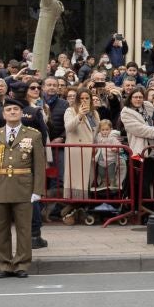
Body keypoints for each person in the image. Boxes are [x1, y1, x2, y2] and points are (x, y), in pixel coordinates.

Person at [0, 99, 46, 278]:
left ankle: (21, 264)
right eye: (9, 109)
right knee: (1, 229)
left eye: (16, 109)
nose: (12, 112)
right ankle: (4, 264)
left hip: (23, 187)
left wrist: (37, 190)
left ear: (21, 113)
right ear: (3, 114)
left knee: (24, 229)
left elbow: (39, 165)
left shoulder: (33, 135)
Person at [61, 88, 102, 218]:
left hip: (90, 150)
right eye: (81, 98)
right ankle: (72, 209)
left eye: (87, 98)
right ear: (77, 100)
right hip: (76, 151)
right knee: (76, 182)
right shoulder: (70, 110)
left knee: (88, 180)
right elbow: (68, 127)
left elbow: (96, 131)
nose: (84, 101)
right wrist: (79, 115)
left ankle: (81, 209)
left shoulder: (95, 113)